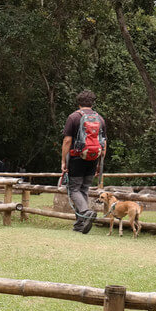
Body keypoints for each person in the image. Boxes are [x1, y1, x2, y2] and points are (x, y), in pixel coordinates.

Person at [60, 89, 107, 234]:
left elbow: (67, 140)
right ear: (92, 103)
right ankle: (80, 224)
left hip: (77, 157)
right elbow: (104, 143)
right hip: (93, 158)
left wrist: (63, 161)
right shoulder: (100, 119)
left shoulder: (74, 117)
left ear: (79, 102)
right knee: (84, 189)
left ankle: (86, 212)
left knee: (73, 189)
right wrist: (100, 163)